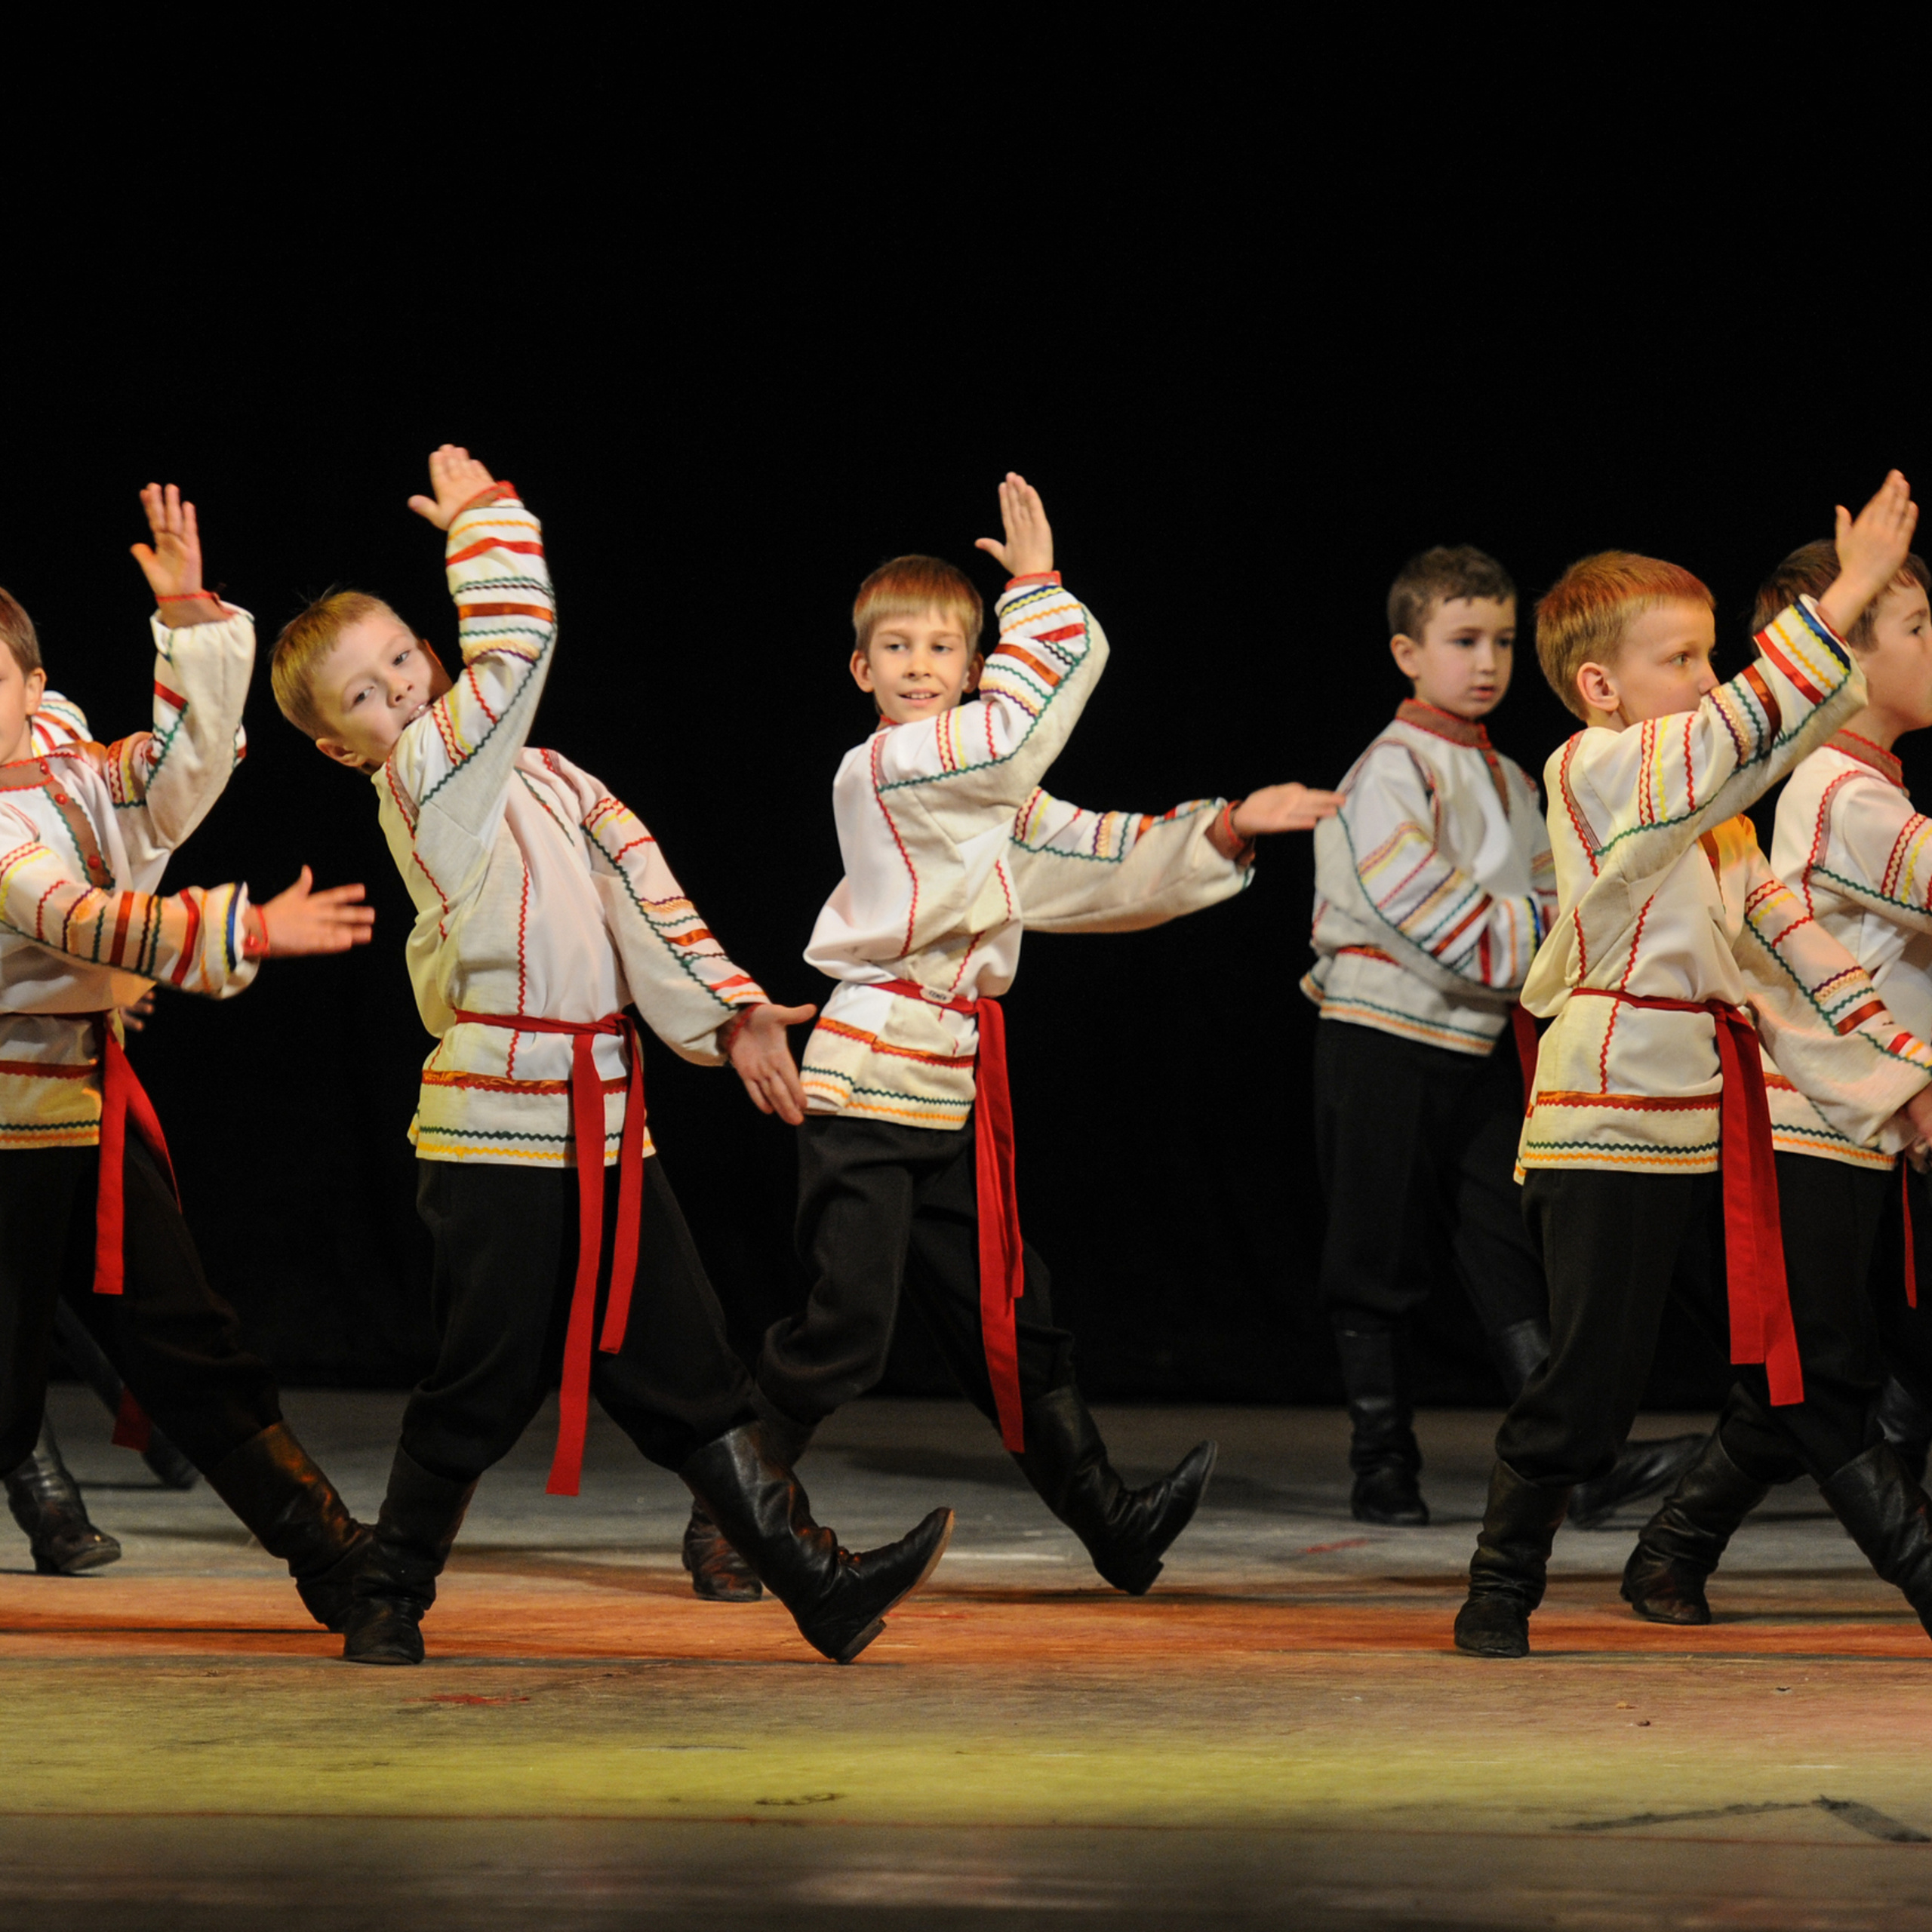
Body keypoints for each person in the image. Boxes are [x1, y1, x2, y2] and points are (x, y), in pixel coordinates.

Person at [269, 445, 952, 1667]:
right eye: (363, 697)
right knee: (481, 1380)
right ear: (343, 748)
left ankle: (817, 1580)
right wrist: (487, 525)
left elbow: (644, 892)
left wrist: (731, 1011)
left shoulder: (551, 776)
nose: (399, 696)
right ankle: (388, 1588)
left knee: (688, 1369)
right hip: (499, 1131)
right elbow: (520, 644)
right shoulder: (428, 781)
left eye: (401, 663)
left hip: (602, 1121)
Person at [681, 472, 1339, 1604]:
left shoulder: (981, 795)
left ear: (971, 666)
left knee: (1014, 1319)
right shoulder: (888, 767)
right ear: (862, 670)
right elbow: (1019, 738)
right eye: (898, 647)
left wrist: (1225, 826)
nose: (922, 663)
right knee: (847, 1326)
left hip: (950, 1087)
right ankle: (729, 1517)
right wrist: (1037, 591)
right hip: (873, 1073)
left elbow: (1085, 861)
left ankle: (1114, 1524)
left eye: (945, 645)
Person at [1453, 471, 1932, 1660]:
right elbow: (1741, 734)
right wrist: (1855, 592)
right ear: (1602, 686)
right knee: (1590, 1393)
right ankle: (1501, 1584)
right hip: (1608, 1113)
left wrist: (1906, 1075)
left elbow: (1796, 944)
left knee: (1797, 1364)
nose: (1707, 682)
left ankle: (1686, 1550)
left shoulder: (1710, 821)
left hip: (1709, 1122)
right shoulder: (1597, 771)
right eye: (1682, 660)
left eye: (1714, 656)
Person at [0, 485, 377, 1625]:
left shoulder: (67, 758)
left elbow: (175, 782)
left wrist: (191, 620)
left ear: (28, 681)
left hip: (85, 1105)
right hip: (10, 1123)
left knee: (188, 1343)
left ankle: (342, 1564)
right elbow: (79, 918)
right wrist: (244, 930)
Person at [1305, 546, 1699, 1527]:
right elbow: (1432, 914)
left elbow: (1552, 893)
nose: (1487, 662)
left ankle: (1573, 1463)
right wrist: (1548, 941)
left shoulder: (1515, 776)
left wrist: (1545, 933)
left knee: (1503, 1241)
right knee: (1374, 1243)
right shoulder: (1387, 771)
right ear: (1408, 652)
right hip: (1383, 1033)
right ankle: (1380, 1460)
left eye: (1503, 641)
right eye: (1462, 640)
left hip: (1475, 1039)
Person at [1623, 541, 1932, 1622]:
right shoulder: (1841, 794)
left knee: (1816, 1374)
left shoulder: (1872, 786)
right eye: (1916, 630)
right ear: (1839, 660)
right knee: (1820, 1377)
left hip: (1871, 1124)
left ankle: (1670, 1551)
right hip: (1814, 1123)